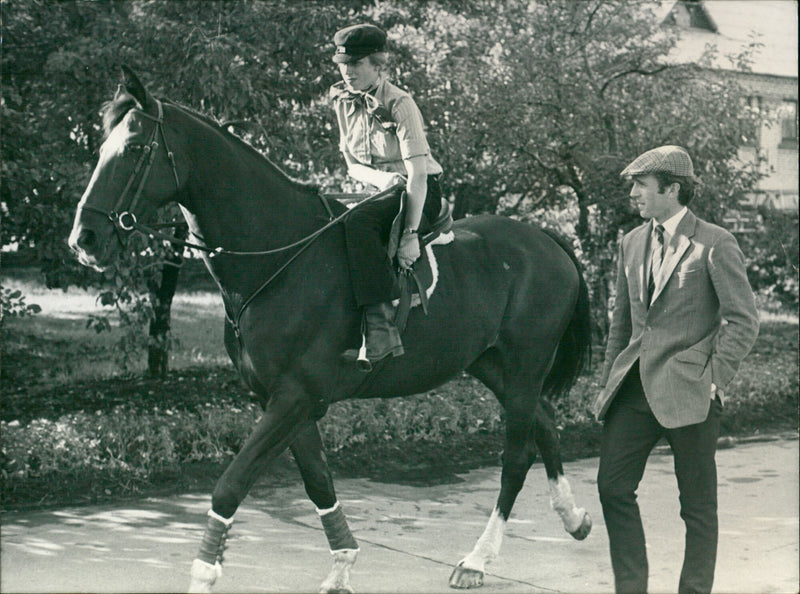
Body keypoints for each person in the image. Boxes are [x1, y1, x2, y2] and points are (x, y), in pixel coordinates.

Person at [593, 145, 759, 593]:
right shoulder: (630, 242)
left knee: (698, 508)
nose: (633, 194)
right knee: (612, 487)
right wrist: (609, 382)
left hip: (690, 391)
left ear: (672, 188)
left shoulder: (715, 242)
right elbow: (621, 324)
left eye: (641, 186)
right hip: (633, 390)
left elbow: (744, 319)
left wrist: (714, 377)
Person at [329, 23, 444, 369]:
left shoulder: (400, 103)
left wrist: (410, 234)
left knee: (359, 222)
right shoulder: (341, 101)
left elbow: (419, 174)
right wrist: (380, 178)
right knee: (323, 215)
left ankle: (380, 330)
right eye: (343, 64)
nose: (347, 72)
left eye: (356, 65)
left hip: (418, 192)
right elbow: (351, 165)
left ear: (378, 65)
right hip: (379, 189)